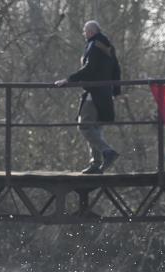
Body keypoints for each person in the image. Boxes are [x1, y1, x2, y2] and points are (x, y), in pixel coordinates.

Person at [55, 20, 121, 174]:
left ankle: (107, 152)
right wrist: (116, 91)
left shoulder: (94, 45)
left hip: (95, 92)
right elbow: (116, 69)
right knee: (95, 127)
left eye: (85, 31)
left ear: (91, 31)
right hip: (105, 93)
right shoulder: (108, 46)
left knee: (84, 125)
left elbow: (89, 68)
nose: (84, 34)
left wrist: (69, 79)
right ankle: (96, 164)